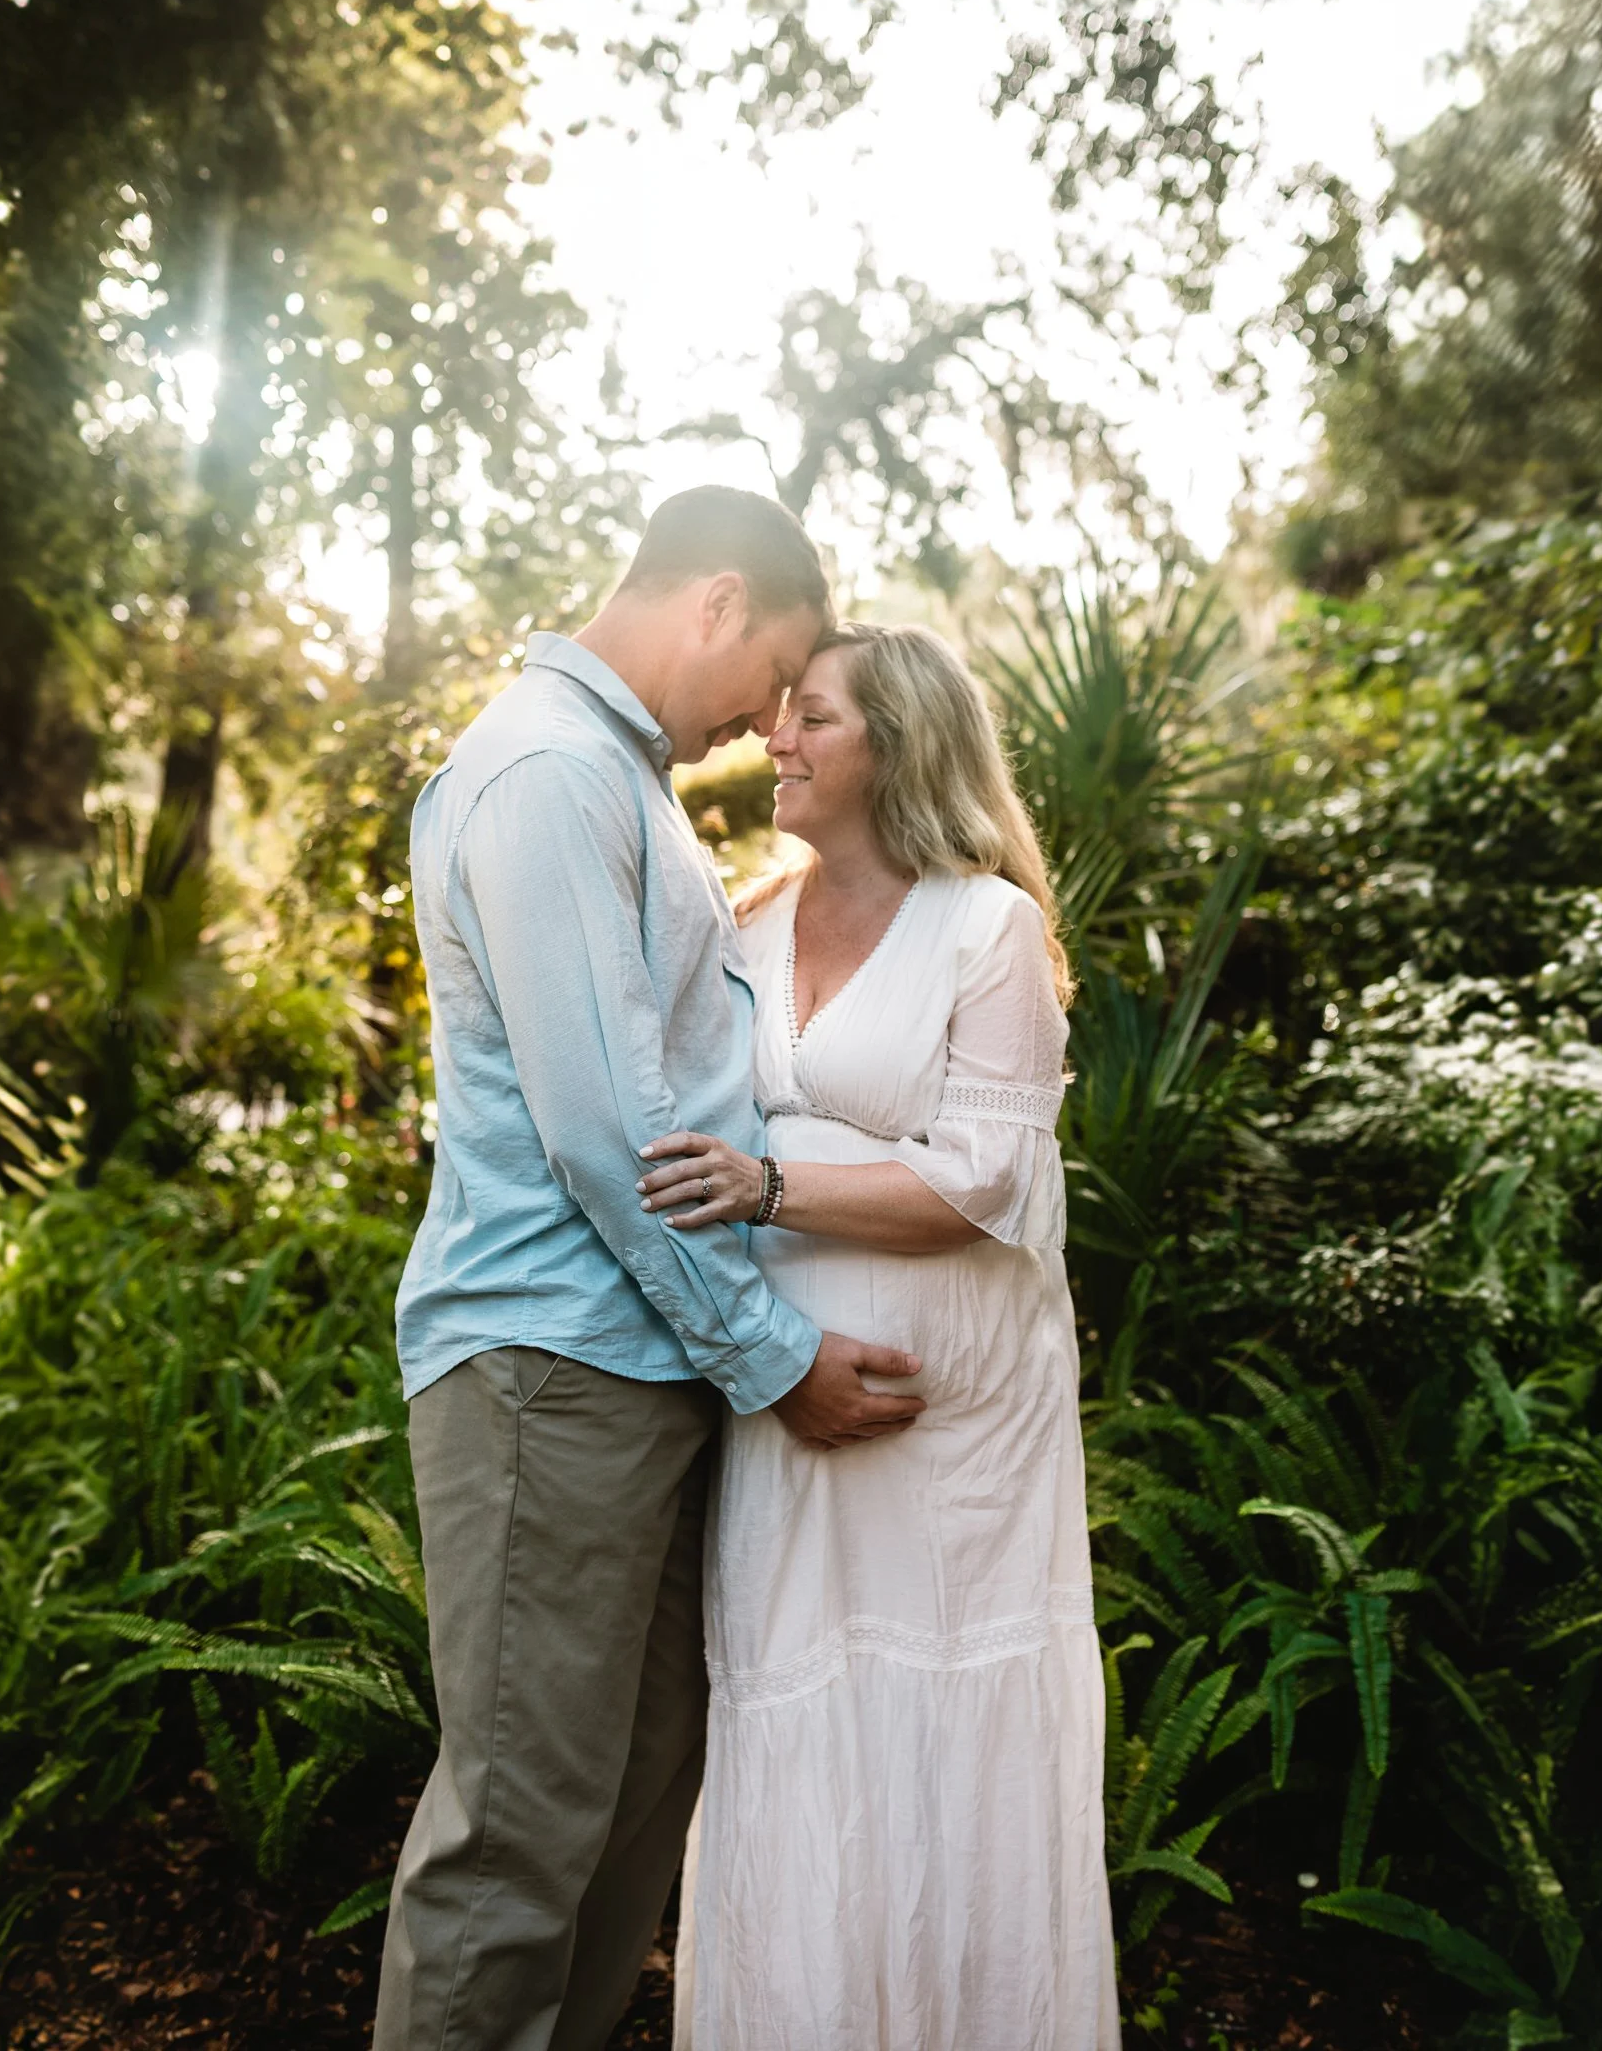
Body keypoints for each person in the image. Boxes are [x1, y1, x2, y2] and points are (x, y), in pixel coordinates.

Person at [374, 490, 926, 2051]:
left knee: (629, 1801)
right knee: (520, 1837)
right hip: (551, 1369)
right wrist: (774, 1353)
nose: (768, 721)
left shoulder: (616, 782)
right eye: (776, 675)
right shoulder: (548, 771)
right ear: (718, 602)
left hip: (637, 1367)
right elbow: (608, 1133)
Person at [638, 621, 1119, 2051]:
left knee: (953, 1720)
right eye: (784, 715)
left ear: (899, 748)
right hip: (787, 1400)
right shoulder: (748, 923)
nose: (773, 740)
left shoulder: (987, 928)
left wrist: (772, 1183)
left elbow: (988, 1181)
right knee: (795, 1705)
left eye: (814, 719)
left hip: (953, 1428)